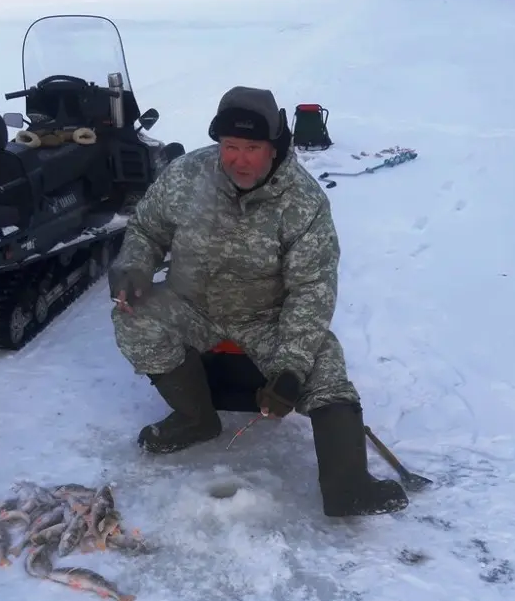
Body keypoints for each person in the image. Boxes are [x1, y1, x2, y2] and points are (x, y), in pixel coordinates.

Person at [107, 85, 408, 517]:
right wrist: (134, 266)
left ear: (274, 147)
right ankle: (196, 419)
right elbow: (146, 230)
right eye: (230, 146)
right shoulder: (187, 174)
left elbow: (312, 290)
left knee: (324, 366)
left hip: (265, 317)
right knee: (133, 320)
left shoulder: (303, 202)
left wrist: (290, 370)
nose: (239, 159)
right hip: (191, 305)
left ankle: (349, 488)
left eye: (252, 147)